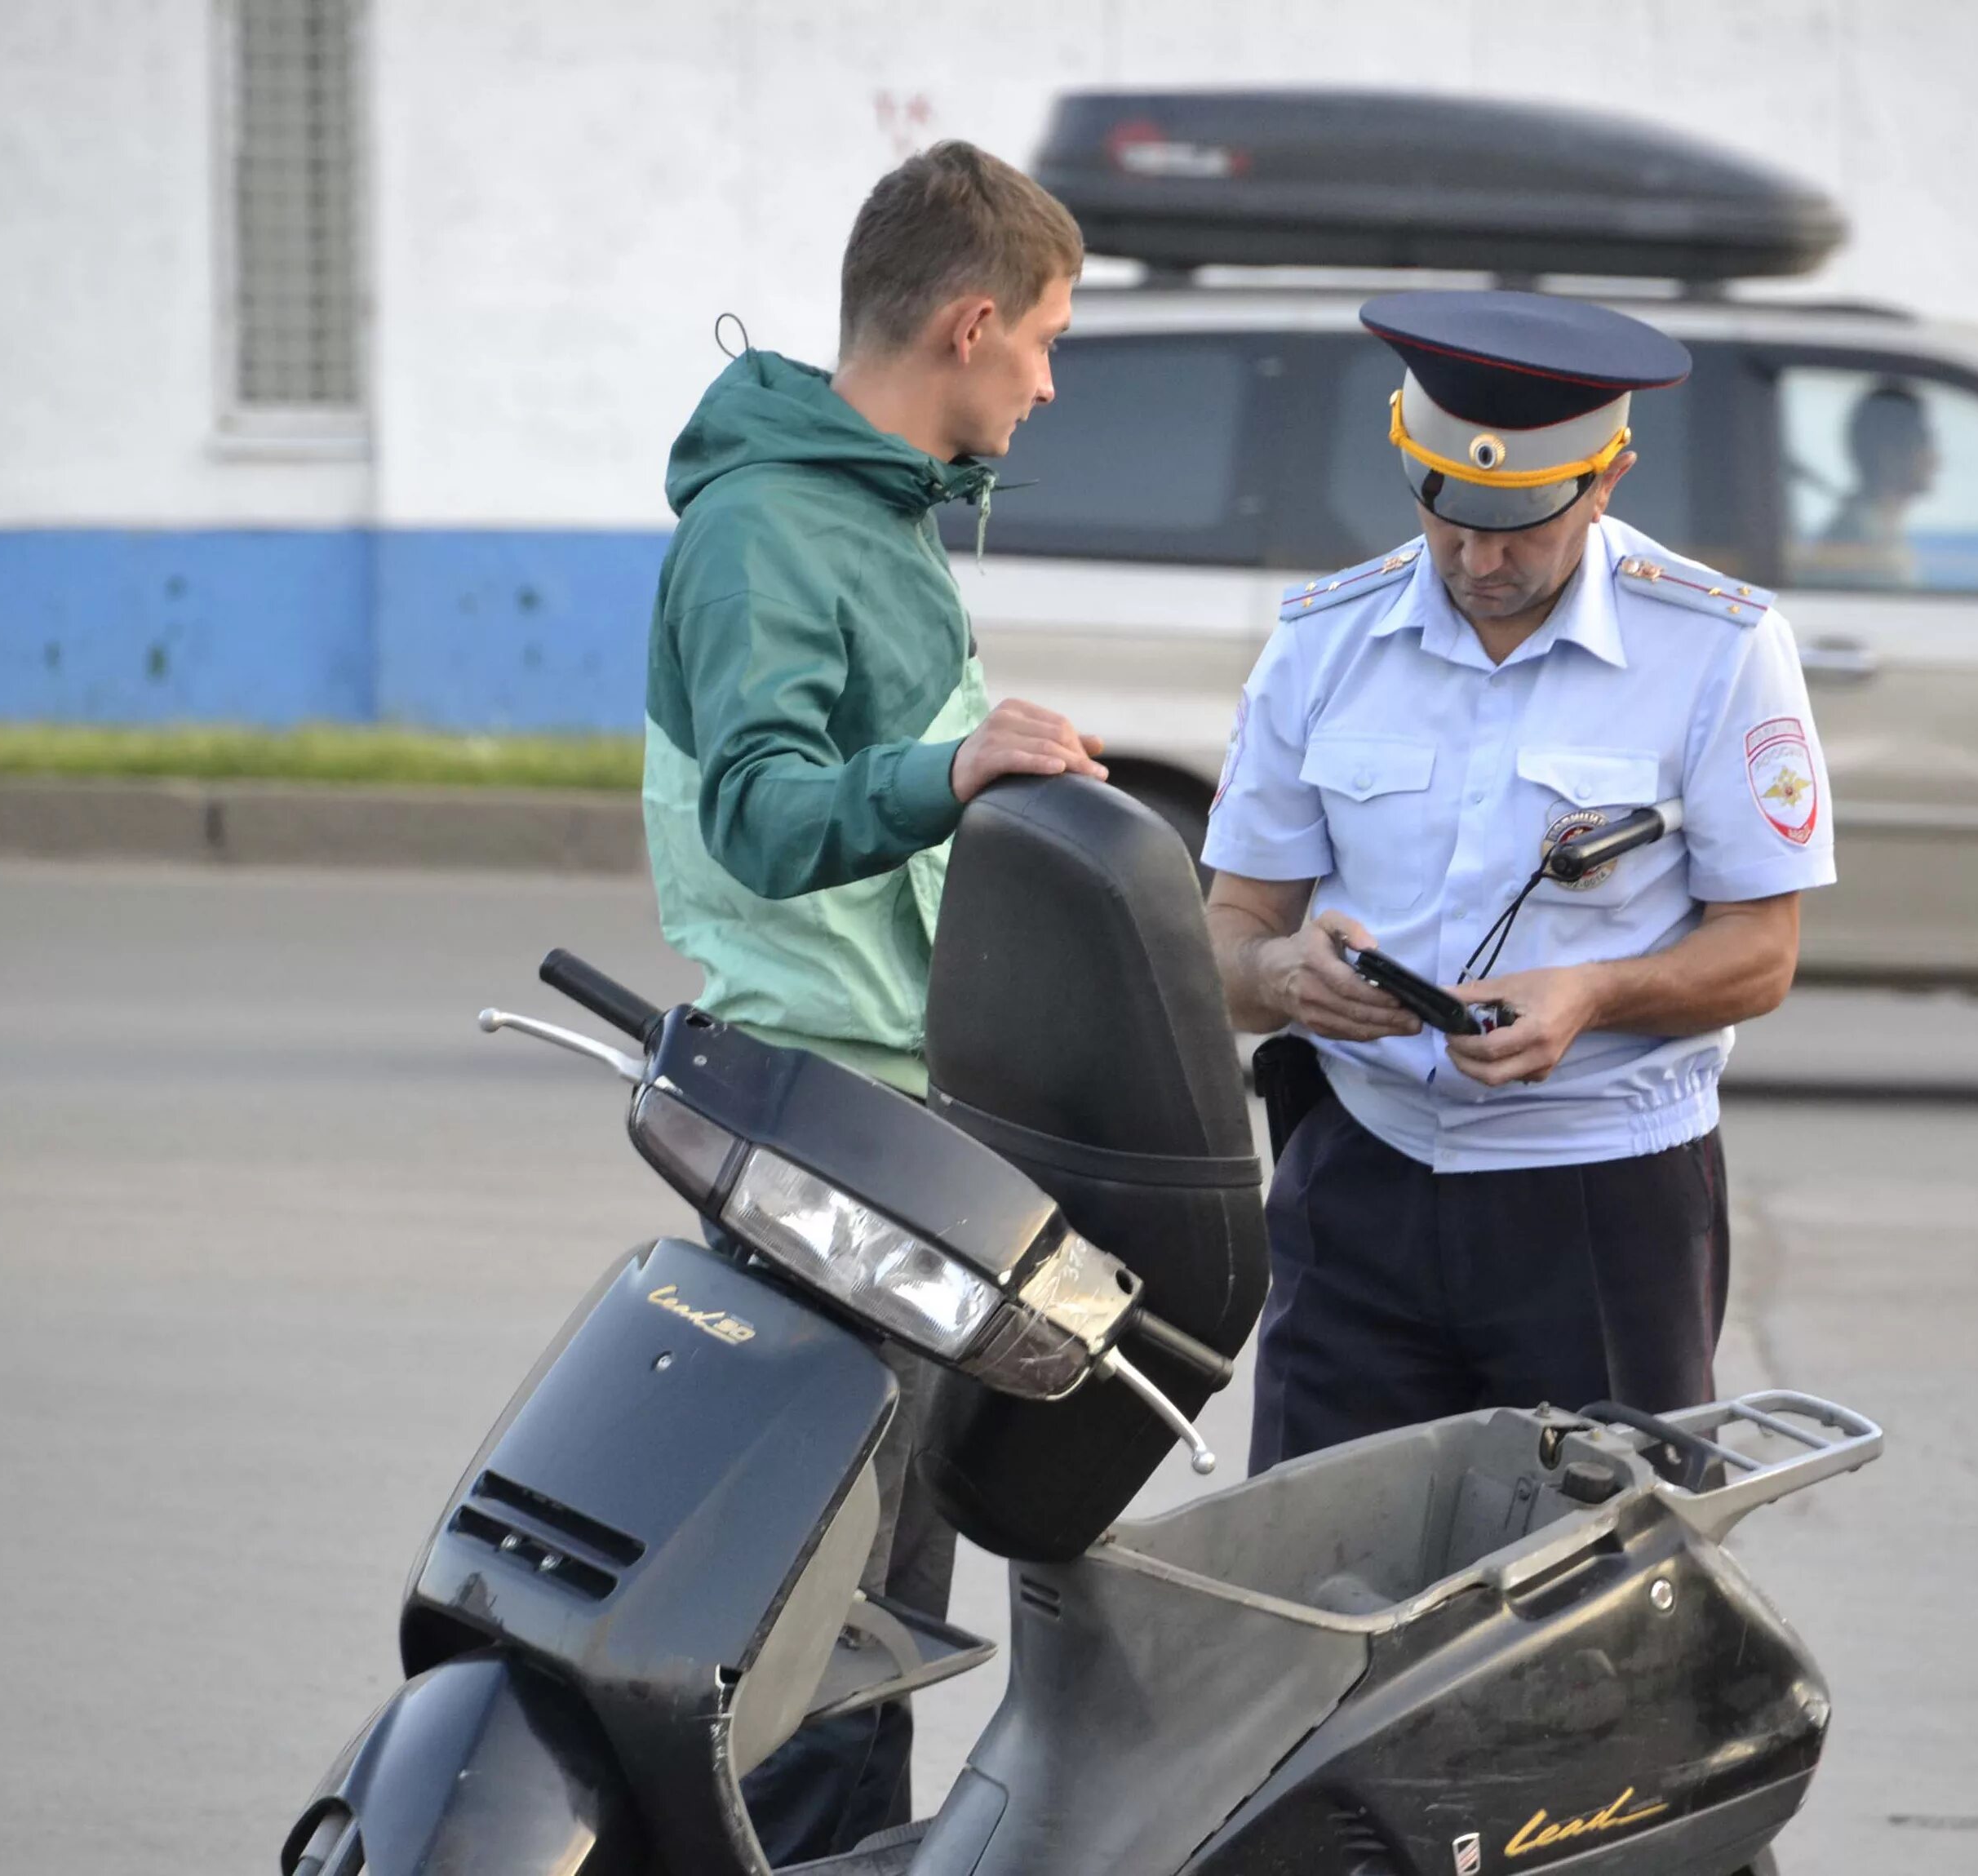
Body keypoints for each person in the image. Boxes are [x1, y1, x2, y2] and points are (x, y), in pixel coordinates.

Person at [642, 141, 1102, 1860]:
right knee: (837, 1617)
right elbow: (763, 818)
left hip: (891, 1114)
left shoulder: (866, 518)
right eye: (1046, 342)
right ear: (971, 324)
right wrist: (951, 771)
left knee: (881, 1588)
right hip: (823, 1121)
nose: (1049, 383)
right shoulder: (771, 531)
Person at [1202, 290, 1837, 1473]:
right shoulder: (1323, 639)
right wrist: (1286, 976)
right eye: (1447, 516)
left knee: (1598, 1597)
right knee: (1318, 1583)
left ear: (1608, 478)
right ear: (1407, 455)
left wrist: (1592, 993)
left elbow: (1764, 949)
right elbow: (1229, 935)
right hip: (1361, 1182)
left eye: (1520, 526)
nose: (1477, 559)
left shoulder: (1719, 646)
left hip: (1600, 1195)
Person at [1808, 380, 1937, 588]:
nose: (1936, 458)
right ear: (1889, 457)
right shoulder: (1863, 544)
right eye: (1924, 441)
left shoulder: (1872, 530)